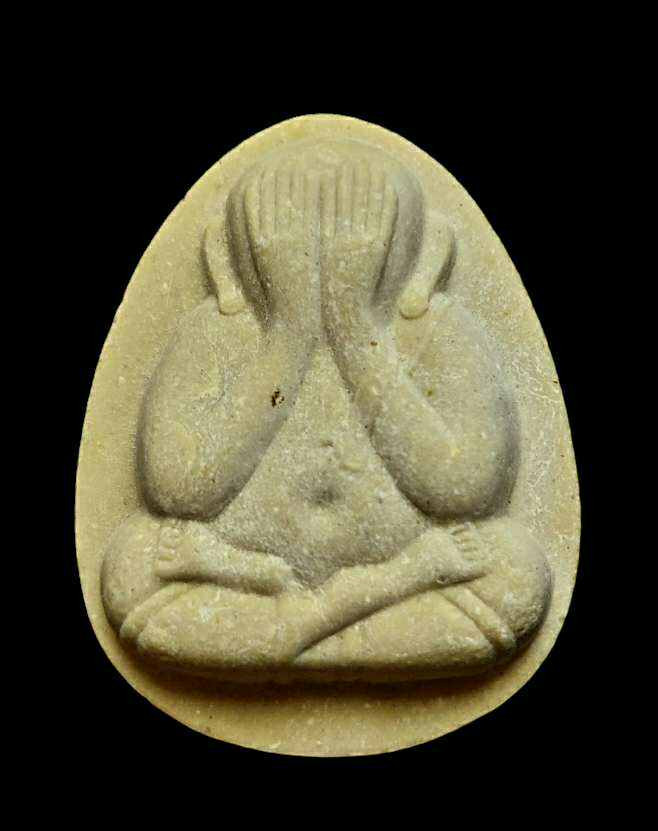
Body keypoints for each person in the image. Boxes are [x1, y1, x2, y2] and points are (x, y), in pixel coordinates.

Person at [101, 140, 551, 680]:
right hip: (293, 574)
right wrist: (289, 334)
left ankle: (284, 636)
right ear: (234, 250)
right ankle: (350, 624)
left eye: (353, 232)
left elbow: (465, 489)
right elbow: (179, 490)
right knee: (132, 563)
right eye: (286, 234)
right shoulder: (216, 331)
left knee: (516, 570)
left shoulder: (439, 329)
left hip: (305, 582)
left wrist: (354, 325)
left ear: (415, 247)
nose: (318, 252)